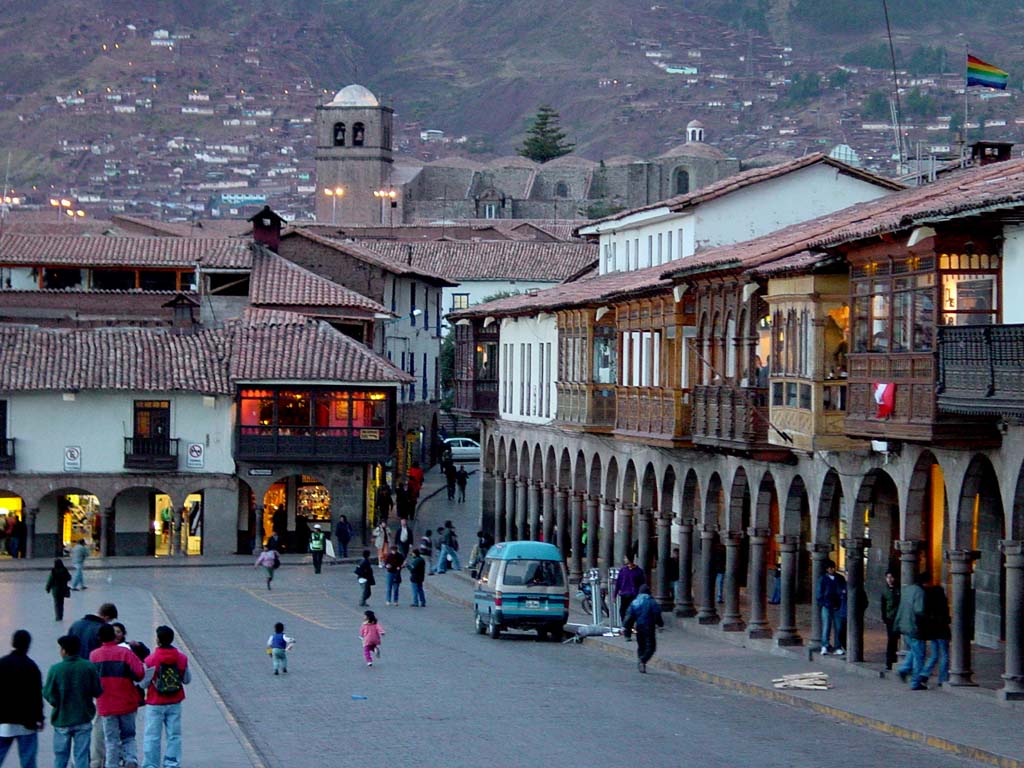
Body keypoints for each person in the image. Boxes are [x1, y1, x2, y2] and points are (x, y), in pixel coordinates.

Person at [68, 603, 117, 768]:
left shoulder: (76, 625)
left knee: (78, 722)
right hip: (95, 683)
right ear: (107, 617)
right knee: (97, 723)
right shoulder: (100, 630)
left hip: (75, 681)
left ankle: (77, 761)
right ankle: (96, 761)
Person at [44, 635, 102, 768]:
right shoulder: (88, 667)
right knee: (81, 756)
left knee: (60, 757)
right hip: (83, 718)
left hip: (62, 719)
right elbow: (98, 691)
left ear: (64, 651)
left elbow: (48, 692)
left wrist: (56, 702)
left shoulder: (56, 669)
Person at [90, 624, 144, 768]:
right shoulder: (125, 653)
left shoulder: (94, 656)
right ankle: (131, 760)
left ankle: (111, 764)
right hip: (127, 701)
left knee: (111, 739)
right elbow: (139, 674)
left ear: (99, 638)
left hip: (106, 704)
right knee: (129, 736)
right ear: (114, 636)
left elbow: (92, 680)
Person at [140, 626, 190, 768]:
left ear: (158, 640)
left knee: (152, 736)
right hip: (175, 701)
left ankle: (151, 764)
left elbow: (144, 683)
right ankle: (171, 763)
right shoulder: (182, 658)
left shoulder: (150, 660)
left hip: (155, 702)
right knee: (174, 735)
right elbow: (187, 679)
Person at [0, 630, 44, 768]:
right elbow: (36, 695)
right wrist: (40, 718)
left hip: (4, 721)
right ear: (28, 645)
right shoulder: (31, 667)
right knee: (28, 760)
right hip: (27, 722)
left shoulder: (2, 663)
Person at [894, 571, 928, 690]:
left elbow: (901, 608)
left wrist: (897, 624)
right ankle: (915, 682)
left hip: (905, 626)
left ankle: (903, 669)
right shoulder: (920, 592)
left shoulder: (907, 590)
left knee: (913, 651)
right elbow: (919, 610)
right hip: (915, 628)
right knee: (919, 655)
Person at [623, 585, 664, 673]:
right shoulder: (652, 602)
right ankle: (643, 660)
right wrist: (660, 624)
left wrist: (626, 628)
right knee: (651, 646)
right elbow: (657, 613)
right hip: (649, 626)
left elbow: (629, 616)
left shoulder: (635, 602)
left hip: (639, 626)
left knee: (641, 645)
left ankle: (640, 661)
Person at [920, 581, 951, 687]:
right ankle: (942, 678)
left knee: (934, 655)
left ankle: (924, 673)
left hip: (933, 631)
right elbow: (946, 618)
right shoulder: (942, 604)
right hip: (942, 631)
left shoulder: (929, 604)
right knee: (944, 655)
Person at [816, 560, 846, 656]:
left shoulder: (840, 578)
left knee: (839, 627)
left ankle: (838, 646)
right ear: (826, 569)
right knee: (826, 626)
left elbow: (843, 590)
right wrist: (824, 603)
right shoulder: (822, 579)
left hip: (838, 606)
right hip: (827, 606)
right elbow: (819, 594)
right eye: (830, 568)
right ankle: (825, 645)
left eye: (833, 567)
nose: (832, 569)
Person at [615, 557, 646, 626]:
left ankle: (630, 625)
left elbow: (642, 583)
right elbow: (618, 582)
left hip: (633, 594)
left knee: (631, 611)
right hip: (624, 594)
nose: (624, 560)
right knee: (622, 610)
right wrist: (615, 594)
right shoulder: (623, 570)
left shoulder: (638, 571)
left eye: (626, 558)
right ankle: (626, 625)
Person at [880, 571, 901, 670]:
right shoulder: (885, 591)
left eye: (891, 577)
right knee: (891, 639)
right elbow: (883, 605)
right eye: (887, 577)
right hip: (890, 618)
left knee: (896, 639)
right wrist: (884, 617)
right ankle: (890, 660)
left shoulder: (898, 589)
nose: (889, 579)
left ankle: (896, 658)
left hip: (898, 617)